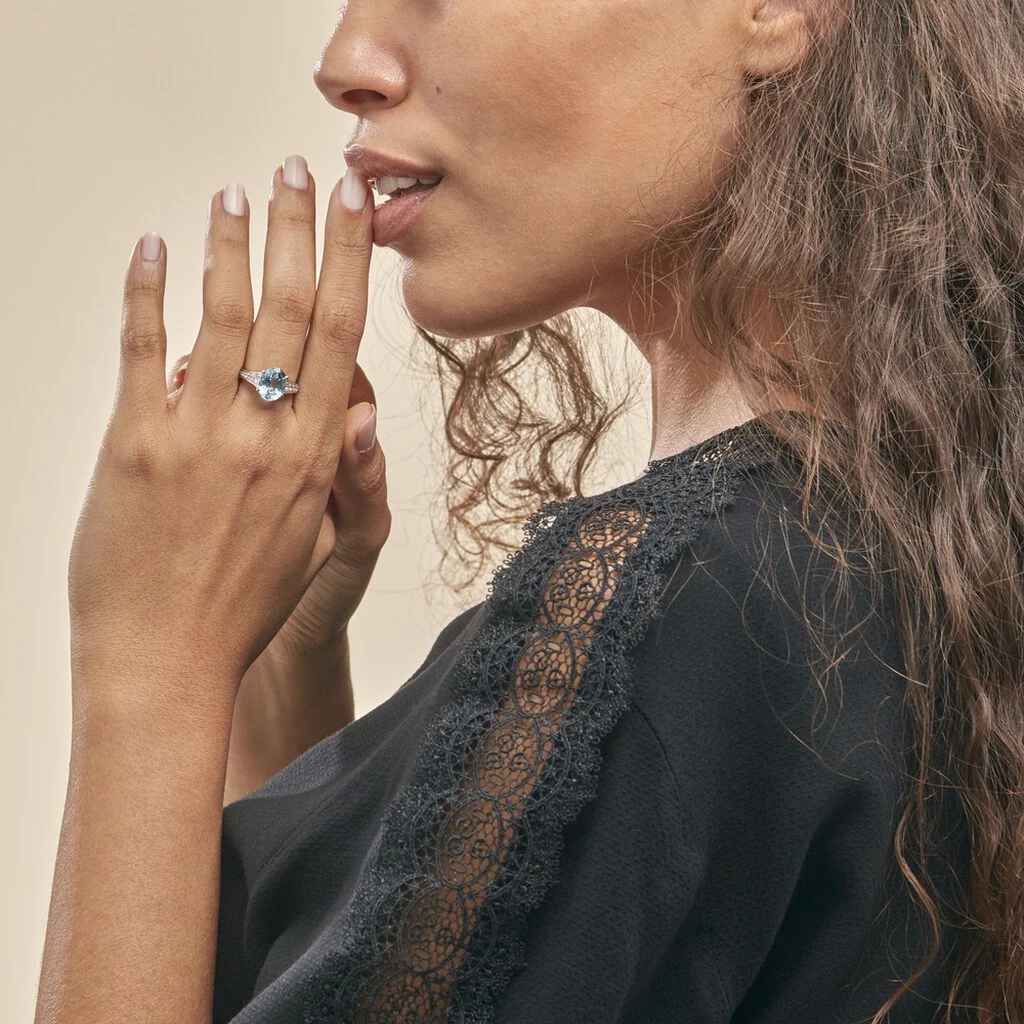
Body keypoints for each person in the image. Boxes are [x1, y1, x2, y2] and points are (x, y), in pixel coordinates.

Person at [33, 0, 1024, 1021]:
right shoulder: (909, 558)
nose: (345, 62)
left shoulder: (670, 607)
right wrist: (282, 655)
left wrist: (145, 657)